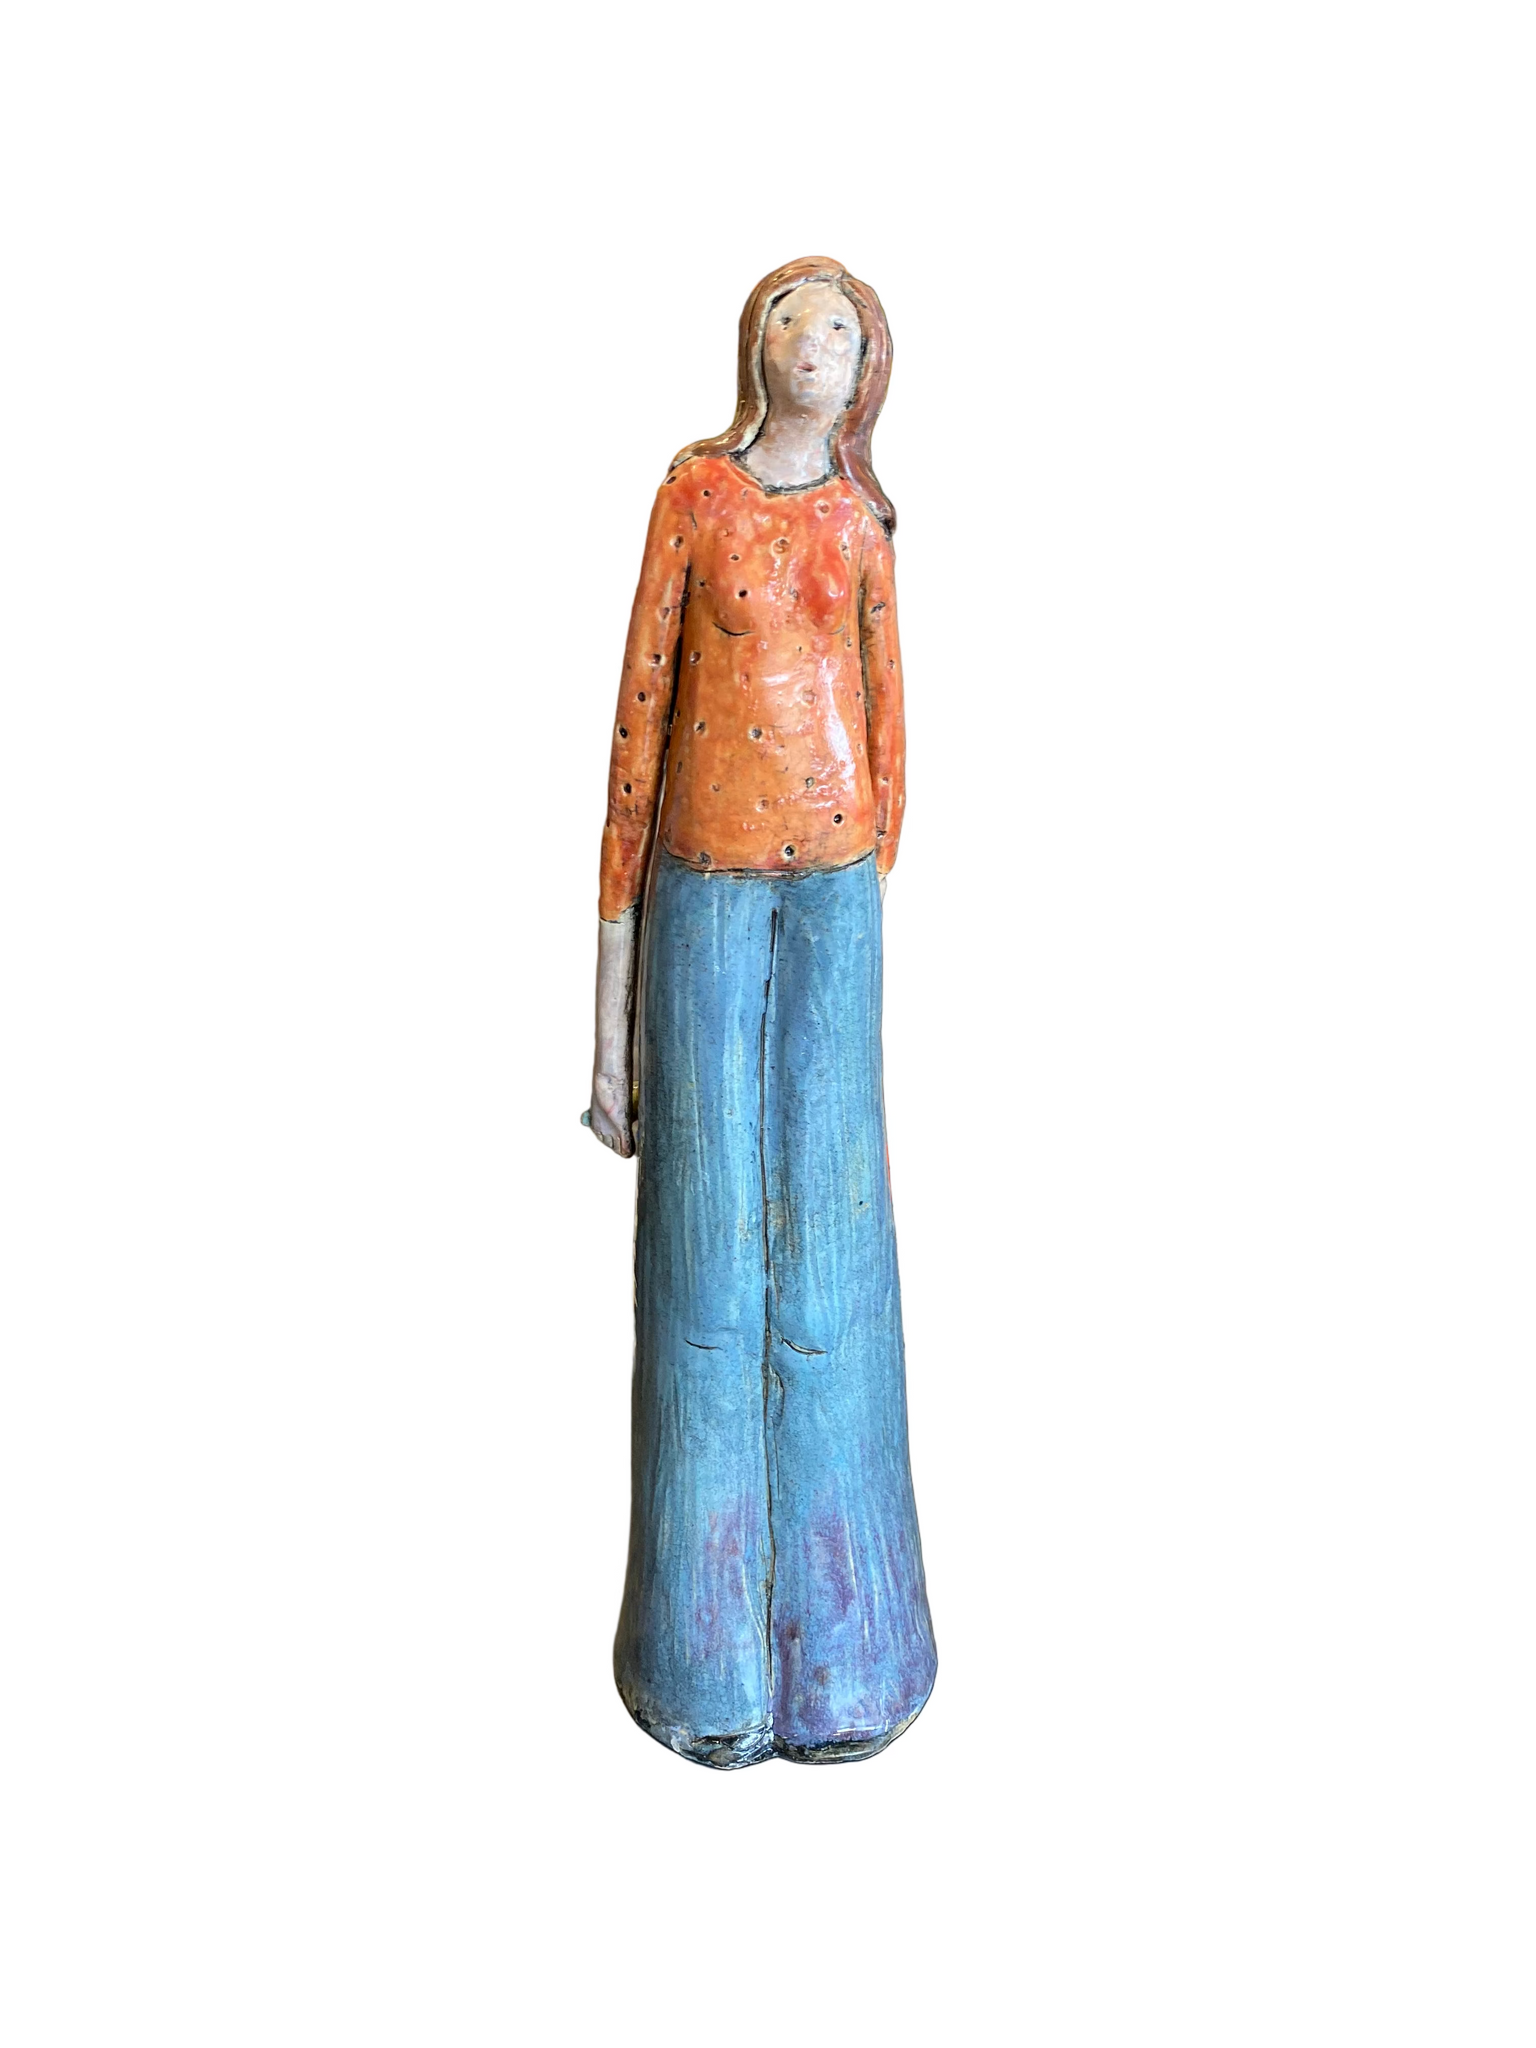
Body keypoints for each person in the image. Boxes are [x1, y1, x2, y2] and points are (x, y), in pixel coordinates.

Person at [585, 257, 936, 1768]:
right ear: (758, 344)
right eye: (796, 318)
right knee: (707, 1253)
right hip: (705, 888)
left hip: (835, 891)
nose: (815, 343)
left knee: (836, 1243)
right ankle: (704, 1659)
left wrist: (851, 861)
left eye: (843, 328)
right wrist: (613, 993)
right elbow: (639, 719)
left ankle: (852, 1657)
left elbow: (891, 724)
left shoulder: (859, 522)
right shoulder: (696, 495)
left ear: (867, 370)